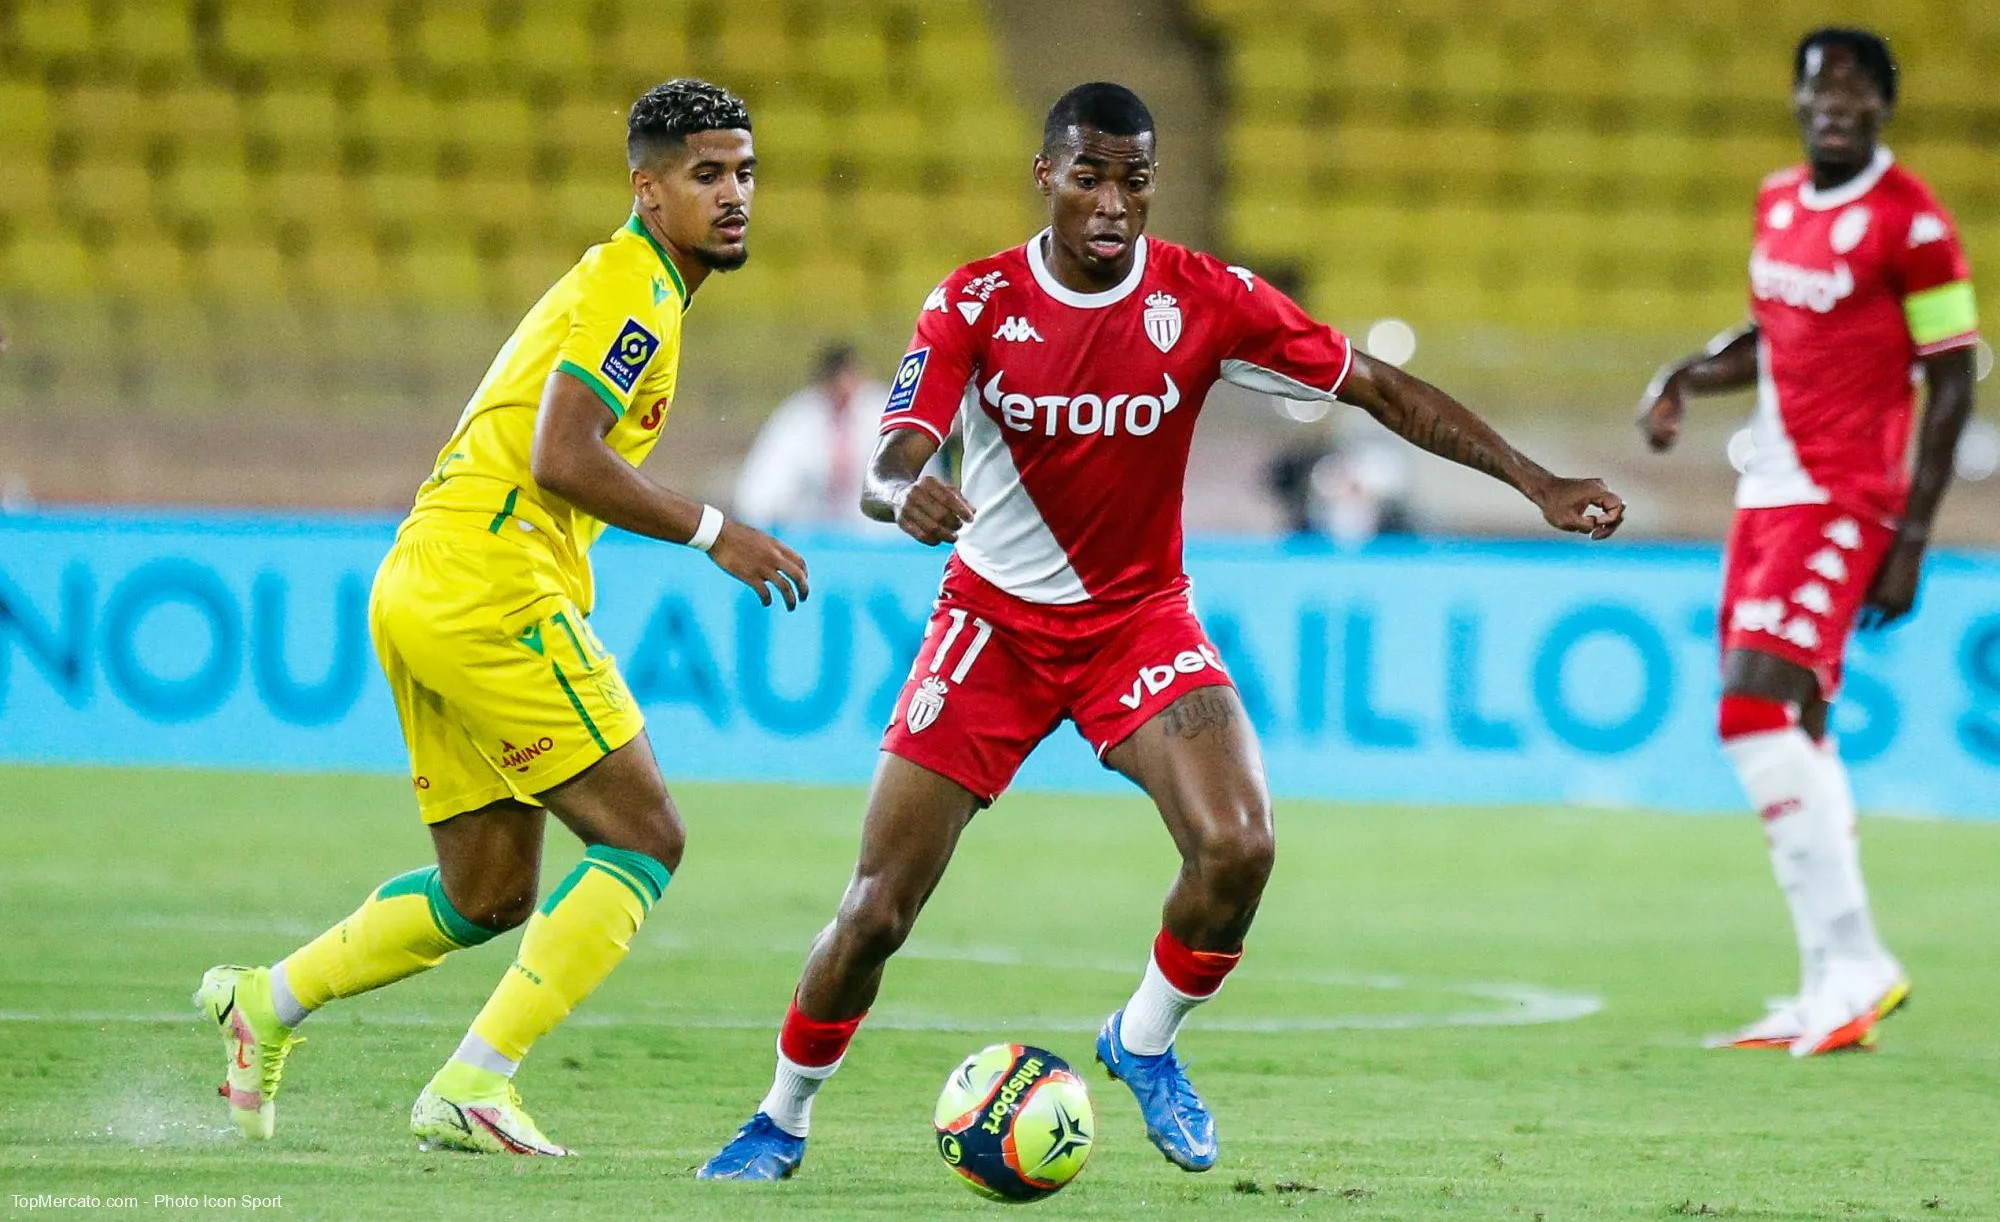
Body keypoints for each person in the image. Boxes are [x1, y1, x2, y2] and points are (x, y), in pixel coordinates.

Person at [698, 82, 1625, 1182]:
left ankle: (1141, 1041)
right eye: (1087, 177)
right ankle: (781, 1117)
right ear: (1045, 176)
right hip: (991, 627)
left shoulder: (1203, 298)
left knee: (1240, 845)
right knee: (877, 910)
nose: (1110, 204)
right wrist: (905, 495)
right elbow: (892, 457)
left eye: (1132, 181)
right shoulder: (976, 302)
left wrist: (1535, 482)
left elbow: (1377, 387)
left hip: (1136, 624)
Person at [193, 79, 810, 1155]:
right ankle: (476, 1082)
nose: (733, 195)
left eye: (745, 172)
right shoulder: (632, 286)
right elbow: (561, 456)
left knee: (484, 893)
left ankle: (266, 1000)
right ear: (648, 189)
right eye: (706, 174)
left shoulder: (634, 285)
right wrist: (717, 531)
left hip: (424, 575)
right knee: (645, 837)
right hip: (490, 577)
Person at [1637, 29, 1977, 1057]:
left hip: (1845, 494)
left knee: (1749, 712)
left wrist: (1912, 538)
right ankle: (1830, 980)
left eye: (1856, 88)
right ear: (1794, 98)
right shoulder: (1777, 200)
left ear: (1884, 105)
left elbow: (1953, 379)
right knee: (1802, 727)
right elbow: (1769, 336)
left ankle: (1858, 958)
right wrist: (1685, 377)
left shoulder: (1914, 225)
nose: (1834, 102)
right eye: (1818, 85)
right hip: (1768, 492)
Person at [733, 342, 890, 532]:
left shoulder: (883, 411)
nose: (844, 390)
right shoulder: (798, 418)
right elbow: (761, 487)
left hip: (877, 533)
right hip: (809, 530)